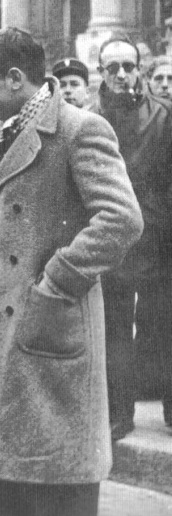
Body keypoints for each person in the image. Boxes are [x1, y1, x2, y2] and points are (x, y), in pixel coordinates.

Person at [0, 27, 143, 516]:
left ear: (14, 78)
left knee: (58, 486)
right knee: (18, 484)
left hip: (52, 325)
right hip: (21, 332)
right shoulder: (10, 131)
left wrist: (56, 283)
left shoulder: (79, 128)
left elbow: (121, 219)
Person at [91, 35, 172, 441]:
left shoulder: (165, 115)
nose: (122, 75)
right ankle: (118, 413)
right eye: (113, 68)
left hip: (159, 236)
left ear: (139, 69)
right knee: (113, 330)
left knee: (163, 322)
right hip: (111, 236)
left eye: (129, 66)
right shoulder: (89, 119)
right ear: (101, 71)